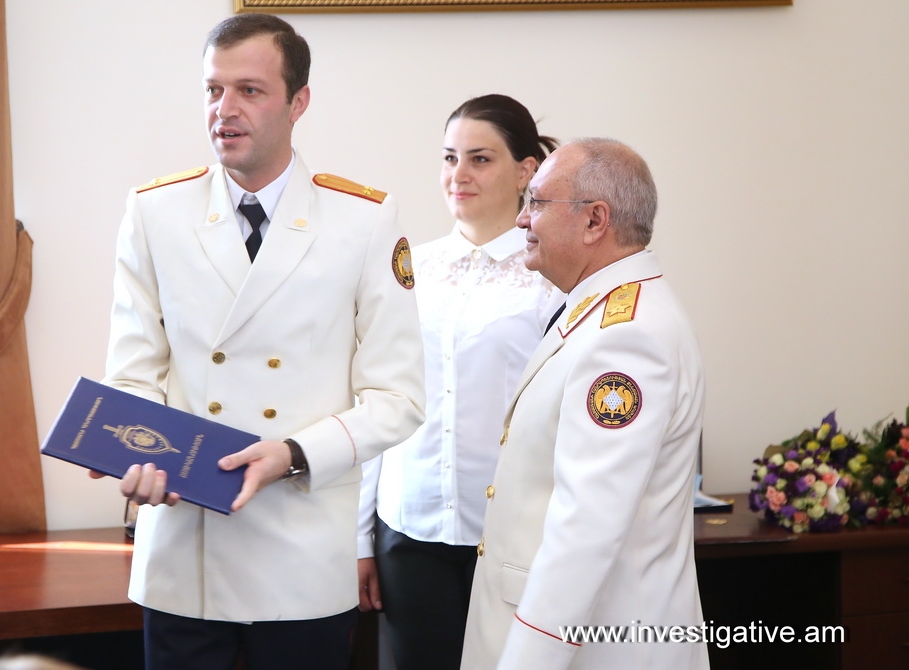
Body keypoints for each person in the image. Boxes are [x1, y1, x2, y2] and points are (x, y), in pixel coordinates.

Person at [94, 13, 425, 670]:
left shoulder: (363, 220)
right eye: (213, 90)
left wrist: (295, 453)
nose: (225, 109)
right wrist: (139, 453)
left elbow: (399, 398)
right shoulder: (155, 212)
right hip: (185, 549)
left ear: (298, 102)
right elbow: (133, 373)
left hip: (301, 549)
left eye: (249, 90)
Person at [460, 138, 709, 670]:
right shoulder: (598, 311)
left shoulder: (626, 337)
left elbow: (585, 529)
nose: (522, 219)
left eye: (537, 202)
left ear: (595, 220)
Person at [357, 94, 562, 670]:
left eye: (480, 159)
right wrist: (359, 539)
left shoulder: (550, 280)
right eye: (450, 158)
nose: (459, 174)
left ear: (525, 171)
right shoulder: (407, 271)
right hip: (408, 531)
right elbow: (376, 402)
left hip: (515, 538)